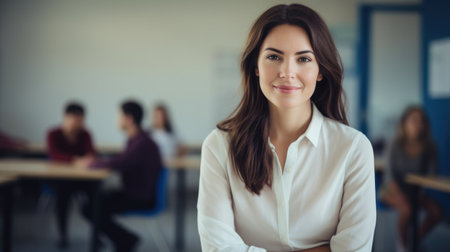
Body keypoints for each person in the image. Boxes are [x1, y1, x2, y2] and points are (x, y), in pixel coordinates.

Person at [197, 4, 376, 252]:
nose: (287, 72)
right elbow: (218, 248)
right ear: (256, 66)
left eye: (303, 59)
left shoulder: (353, 148)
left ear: (320, 70)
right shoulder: (219, 146)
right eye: (274, 57)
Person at [79, 100, 162, 252]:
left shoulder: (142, 143)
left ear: (128, 119)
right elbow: (120, 159)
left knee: (91, 207)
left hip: (140, 198)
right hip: (136, 193)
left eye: (118, 116)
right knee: (92, 203)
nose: (116, 119)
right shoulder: (137, 140)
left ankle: (126, 239)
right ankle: (124, 239)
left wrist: (91, 164)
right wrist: (97, 161)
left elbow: (119, 163)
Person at [381, 106, 442, 252]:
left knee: (437, 212)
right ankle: (402, 246)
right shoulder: (394, 144)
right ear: (404, 123)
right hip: (391, 190)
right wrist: (400, 195)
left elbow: (430, 176)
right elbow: (388, 176)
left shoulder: (430, 146)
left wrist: (420, 192)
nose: (418, 124)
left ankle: (415, 241)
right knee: (406, 209)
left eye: (422, 121)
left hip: (415, 191)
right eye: (414, 120)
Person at [46, 102, 96, 248]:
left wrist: (85, 160)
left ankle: (97, 232)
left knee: (96, 192)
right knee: (62, 191)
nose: (78, 123)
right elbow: (54, 155)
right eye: (74, 119)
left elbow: (91, 154)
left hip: (81, 178)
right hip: (59, 178)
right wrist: (74, 160)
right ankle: (62, 234)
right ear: (65, 117)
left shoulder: (85, 134)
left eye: (81, 120)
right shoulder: (53, 133)